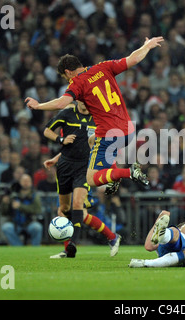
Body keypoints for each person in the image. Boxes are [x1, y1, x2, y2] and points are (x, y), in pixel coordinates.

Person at [25, 36, 165, 191]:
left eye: (66, 78)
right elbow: (133, 59)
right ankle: (113, 177)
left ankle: (128, 172)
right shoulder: (103, 67)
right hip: (128, 131)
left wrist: (38, 106)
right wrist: (147, 46)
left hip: (109, 134)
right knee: (92, 139)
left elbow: (61, 103)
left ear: (68, 72)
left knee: (91, 179)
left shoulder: (77, 83)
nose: (68, 81)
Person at [43, 101, 121, 258]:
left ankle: (72, 244)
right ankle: (112, 237)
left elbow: (102, 146)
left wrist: (113, 167)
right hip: (65, 166)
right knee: (65, 210)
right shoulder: (67, 114)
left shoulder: (98, 118)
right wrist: (59, 145)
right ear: (77, 98)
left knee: (77, 205)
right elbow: (49, 132)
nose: (85, 101)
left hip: (85, 168)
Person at [0, 173, 43, 246]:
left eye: (28, 181)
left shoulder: (34, 195)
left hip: (30, 223)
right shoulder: (13, 195)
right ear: (20, 182)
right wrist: (5, 203)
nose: (26, 183)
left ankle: (35, 249)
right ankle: (18, 247)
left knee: (37, 227)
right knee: (6, 227)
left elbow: (37, 210)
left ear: (31, 183)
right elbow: (4, 212)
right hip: (15, 224)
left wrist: (20, 206)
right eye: (24, 181)